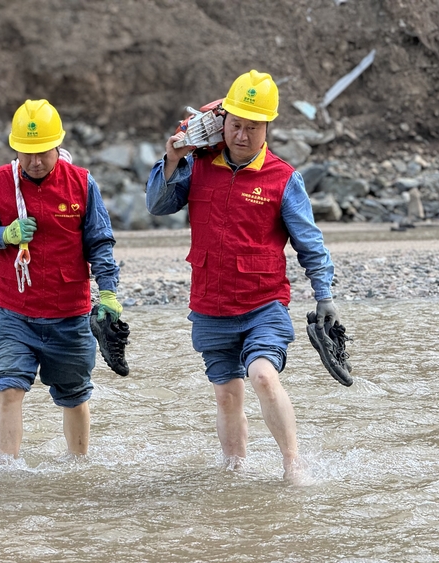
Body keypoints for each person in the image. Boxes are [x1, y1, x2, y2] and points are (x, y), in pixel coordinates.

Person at [145, 70, 338, 481]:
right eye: (235, 125)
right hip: (210, 305)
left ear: (267, 127)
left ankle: (293, 465)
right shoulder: (197, 166)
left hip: (262, 304)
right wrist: (174, 156)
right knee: (227, 397)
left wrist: (325, 296)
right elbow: (159, 206)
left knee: (263, 376)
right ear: (222, 121)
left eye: (253, 127)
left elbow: (310, 243)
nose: (242, 135)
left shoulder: (284, 178)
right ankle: (235, 474)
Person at [0, 99, 123, 458]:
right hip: (13, 312)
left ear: (58, 146)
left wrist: (109, 293)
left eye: (42, 153)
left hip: (69, 314)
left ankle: (78, 466)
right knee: (8, 387)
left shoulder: (82, 183)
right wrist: (3, 234)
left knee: (75, 394)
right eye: (26, 153)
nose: (34, 162)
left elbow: (100, 242)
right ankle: (7, 470)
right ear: (16, 149)